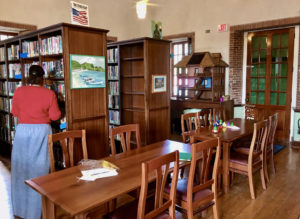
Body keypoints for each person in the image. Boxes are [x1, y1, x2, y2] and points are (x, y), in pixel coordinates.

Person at [11, 65, 61, 219]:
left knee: (20, 169)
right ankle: (36, 213)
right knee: (39, 171)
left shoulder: (19, 91)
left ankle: (20, 210)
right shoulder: (49, 93)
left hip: (22, 132)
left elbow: (14, 112)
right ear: (42, 78)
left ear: (28, 77)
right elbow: (55, 116)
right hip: (41, 133)